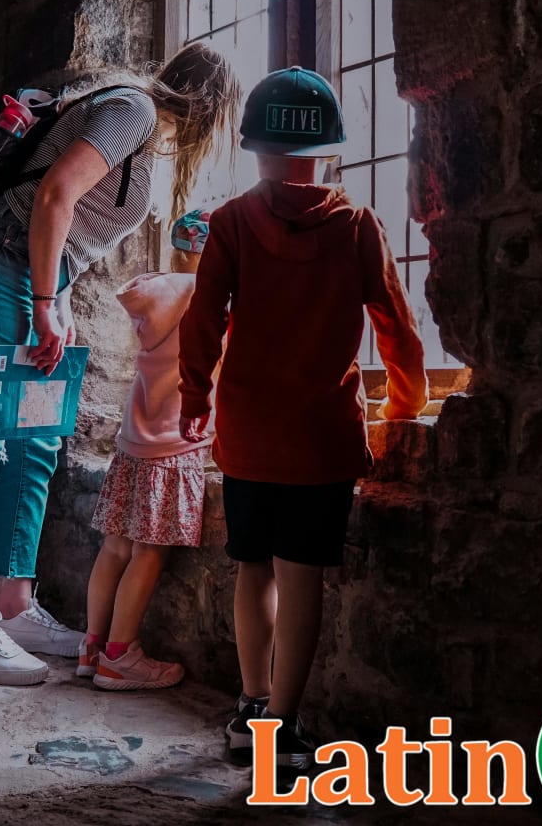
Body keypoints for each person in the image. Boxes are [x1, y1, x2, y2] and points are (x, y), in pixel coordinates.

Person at [0, 42, 241, 686]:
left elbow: (68, 229)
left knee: (36, 440)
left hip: (37, 273)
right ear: (212, 108)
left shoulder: (139, 130)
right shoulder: (134, 111)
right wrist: (46, 299)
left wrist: (59, 297)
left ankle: (12, 607)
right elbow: (53, 198)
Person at [177, 67, 428, 772]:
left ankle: (248, 706)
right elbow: (398, 330)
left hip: (248, 434)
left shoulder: (229, 223)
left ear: (255, 146)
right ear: (330, 149)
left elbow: (202, 325)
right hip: (319, 440)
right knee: (304, 580)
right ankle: (280, 730)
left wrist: (196, 401)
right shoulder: (355, 225)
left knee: (251, 569)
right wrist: (405, 407)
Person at [79, 209, 220, 691]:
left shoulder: (151, 295)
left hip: (133, 440)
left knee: (115, 545)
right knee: (148, 553)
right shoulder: (212, 301)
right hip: (175, 443)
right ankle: (120, 657)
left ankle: (92, 646)